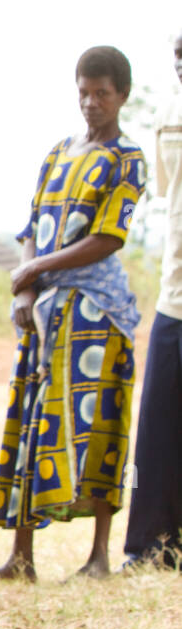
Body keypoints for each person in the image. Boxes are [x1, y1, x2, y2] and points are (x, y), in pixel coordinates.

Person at [0, 46, 144, 580]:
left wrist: (33, 273)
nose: (91, 102)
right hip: (44, 312)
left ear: (122, 95)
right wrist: (27, 290)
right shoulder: (58, 153)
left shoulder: (128, 161)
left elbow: (106, 238)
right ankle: (21, 557)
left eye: (102, 93)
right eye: (84, 91)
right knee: (33, 422)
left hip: (97, 311)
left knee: (97, 426)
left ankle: (98, 556)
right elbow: (32, 227)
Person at [122, 32, 182, 570]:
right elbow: (167, 197)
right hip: (174, 295)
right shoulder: (169, 113)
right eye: (180, 58)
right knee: (160, 427)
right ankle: (153, 549)